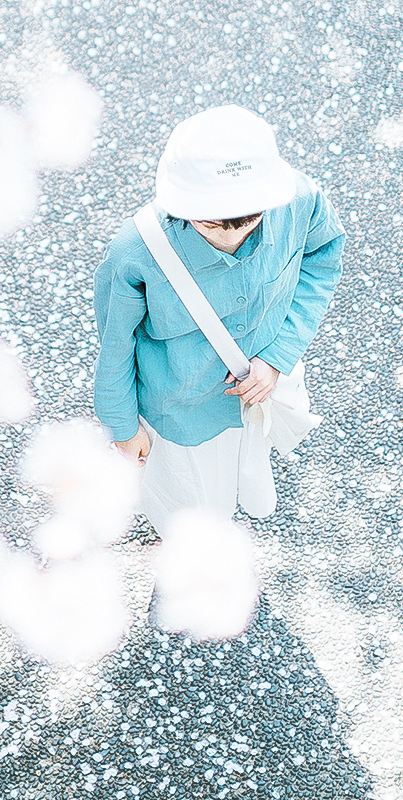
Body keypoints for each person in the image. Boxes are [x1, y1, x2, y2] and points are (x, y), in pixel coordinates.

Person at [93, 104, 344, 529]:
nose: (233, 237)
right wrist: (122, 427)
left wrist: (277, 356)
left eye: (251, 221)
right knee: (188, 507)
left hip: (257, 394)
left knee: (239, 477)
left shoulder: (300, 201)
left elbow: (323, 259)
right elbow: (116, 347)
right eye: (212, 226)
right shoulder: (133, 255)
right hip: (180, 413)